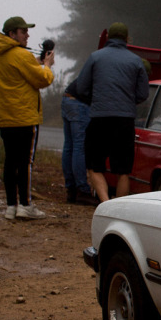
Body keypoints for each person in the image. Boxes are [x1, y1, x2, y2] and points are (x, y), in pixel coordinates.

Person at [73, 22, 149, 200]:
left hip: (100, 118)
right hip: (125, 121)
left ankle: (105, 203)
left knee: (94, 165)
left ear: (107, 38)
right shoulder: (136, 61)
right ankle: (117, 211)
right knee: (123, 171)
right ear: (127, 39)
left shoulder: (95, 57)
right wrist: (128, 101)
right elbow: (143, 93)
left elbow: (81, 88)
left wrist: (98, 99)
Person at [0, 15, 54, 220]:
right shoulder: (21, 55)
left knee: (10, 162)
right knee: (25, 163)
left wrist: (35, 63)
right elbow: (42, 79)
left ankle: (10, 205)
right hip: (24, 117)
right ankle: (25, 204)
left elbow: (18, 73)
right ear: (12, 34)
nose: (28, 35)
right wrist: (47, 65)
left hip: (6, 117)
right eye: (23, 31)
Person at [60, 77, 94, 205]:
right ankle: (82, 190)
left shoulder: (98, 62)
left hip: (68, 98)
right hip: (80, 103)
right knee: (79, 146)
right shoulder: (112, 72)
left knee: (69, 145)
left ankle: (71, 189)